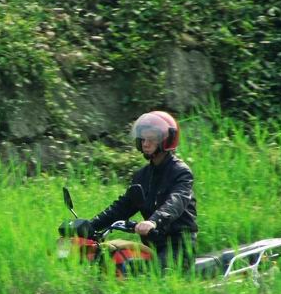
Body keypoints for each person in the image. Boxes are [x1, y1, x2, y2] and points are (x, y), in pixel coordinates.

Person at [73, 111, 198, 273]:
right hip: (154, 245)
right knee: (111, 262)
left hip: (179, 246)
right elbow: (123, 206)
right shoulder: (142, 176)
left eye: (151, 139)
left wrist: (154, 221)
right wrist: (90, 226)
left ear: (166, 140)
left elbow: (176, 201)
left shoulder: (181, 172)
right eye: (143, 138)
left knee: (142, 273)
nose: (145, 143)